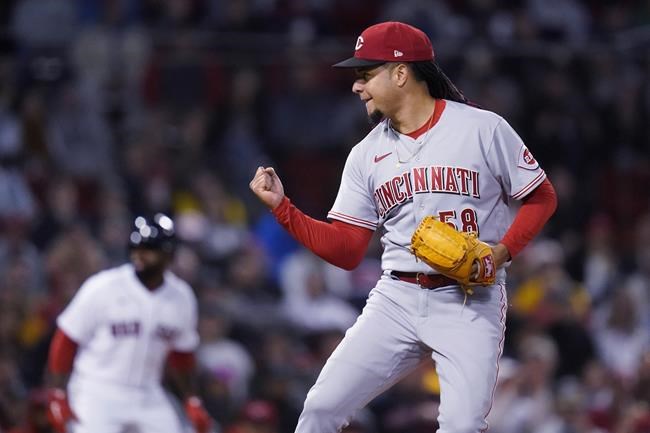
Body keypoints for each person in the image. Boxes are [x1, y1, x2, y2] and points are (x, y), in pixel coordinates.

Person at [249, 21, 557, 433]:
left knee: (462, 425)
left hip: (469, 299)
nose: (357, 87)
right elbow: (346, 250)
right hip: (397, 296)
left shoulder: (482, 128)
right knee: (321, 408)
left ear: (400, 72)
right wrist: (283, 208)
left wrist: (502, 252)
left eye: (365, 74)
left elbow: (541, 197)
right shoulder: (366, 154)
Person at [45, 214, 213, 433]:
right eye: (137, 247)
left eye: (149, 248)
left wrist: (192, 399)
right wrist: (57, 393)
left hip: (148, 392)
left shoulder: (182, 297)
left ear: (168, 254)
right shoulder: (103, 286)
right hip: (97, 389)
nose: (140, 254)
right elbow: (66, 340)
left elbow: (181, 356)